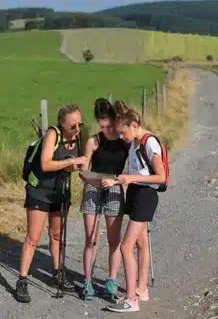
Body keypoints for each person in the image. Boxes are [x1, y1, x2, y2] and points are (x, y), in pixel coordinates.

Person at [15, 104, 87, 303]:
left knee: (56, 235)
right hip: (40, 191)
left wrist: (79, 166)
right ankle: (22, 280)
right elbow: (46, 164)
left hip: (61, 192)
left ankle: (58, 274)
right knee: (33, 237)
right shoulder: (52, 135)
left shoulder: (79, 137)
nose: (77, 129)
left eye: (79, 124)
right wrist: (69, 163)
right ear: (62, 123)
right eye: (72, 126)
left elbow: (77, 165)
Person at [106, 103, 165, 313]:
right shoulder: (134, 142)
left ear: (134, 125)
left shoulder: (150, 143)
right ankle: (141, 289)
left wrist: (129, 178)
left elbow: (161, 177)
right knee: (141, 243)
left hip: (146, 195)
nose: (122, 137)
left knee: (125, 246)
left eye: (123, 132)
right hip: (135, 192)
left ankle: (131, 300)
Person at [79, 98, 129, 300]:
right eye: (102, 126)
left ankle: (111, 280)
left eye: (108, 125)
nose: (106, 130)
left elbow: (131, 169)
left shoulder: (125, 141)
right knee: (91, 239)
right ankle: (87, 282)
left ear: (113, 120)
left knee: (113, 240)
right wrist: (92, 180)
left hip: (115, 190)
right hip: (93, 189)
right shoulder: (93, 141)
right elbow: (83, 170)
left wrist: (116, 182)